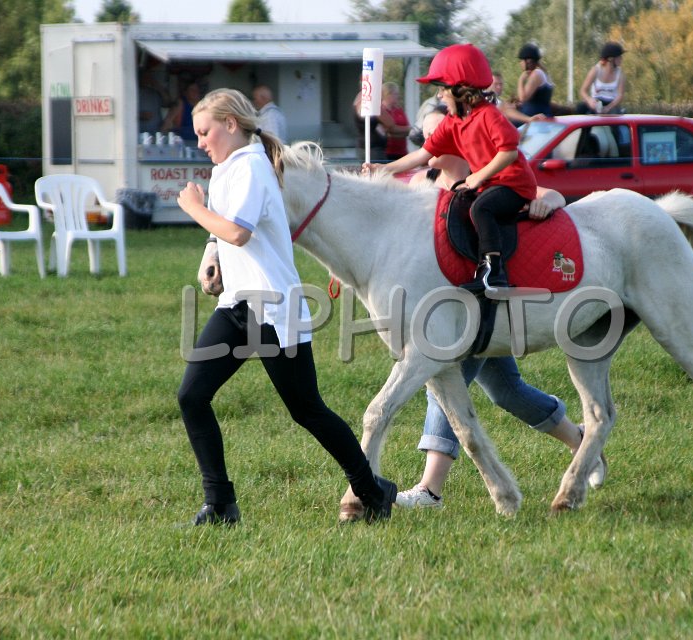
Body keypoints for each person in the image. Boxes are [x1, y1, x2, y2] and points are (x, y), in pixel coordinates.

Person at [175, 88, 396, 525]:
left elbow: (238, 232)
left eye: (204, 132)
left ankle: (372, 491)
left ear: (230, 125)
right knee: (192, 396)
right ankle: (220, 505)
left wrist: (194, 209)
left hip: (274, 310)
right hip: (238, 307)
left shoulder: (252, 166)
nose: (200, 142)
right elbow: (227, 234)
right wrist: (213, 256)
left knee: (307, 410)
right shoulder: (227, 168)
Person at [393, 110, 607, 510]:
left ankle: (430, 489)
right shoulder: (420, 185)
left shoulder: (487, 182)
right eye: (425, 134)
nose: (427, 140)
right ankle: (581, 441)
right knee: (507, 391)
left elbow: (548, 194)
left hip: (482, 310)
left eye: (437, 132)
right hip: (441, 308)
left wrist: (547, 203)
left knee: (442, 382)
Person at [364, 43, 537, 292]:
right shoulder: (452, 122)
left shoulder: (489, 115)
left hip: (514, 185)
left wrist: (478, 176)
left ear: (459, 89)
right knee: (458, 204)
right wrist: (382, 169)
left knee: (481, 208)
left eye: (442, 89)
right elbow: (421, 154)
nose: (440, 96)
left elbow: (509, 153)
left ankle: (493, 273)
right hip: (489, 185)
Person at [578, 42, 626, 114]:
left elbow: (620, 96)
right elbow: (583, 91)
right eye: (619, 57)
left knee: (614, 113)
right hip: (596, 101)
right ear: (611, 59)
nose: (621, 59)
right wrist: (589, 100)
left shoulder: (620, 74)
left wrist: (608, 108)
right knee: (580, 108)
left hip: (611, 103)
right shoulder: (596, 70)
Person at [516, 43, 555, 119]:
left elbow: (523, 98)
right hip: (540, 114)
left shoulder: (537, 74)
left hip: (534, 117)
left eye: (521, 61)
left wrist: (520, 80)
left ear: (527, 61)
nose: (520, 63)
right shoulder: (543, 72)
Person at [380, 82, 412, 160]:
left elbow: (407, 129)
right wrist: (409, 129)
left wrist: (407, 130)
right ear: (388, 95)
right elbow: (388, 131)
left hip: (402, 152)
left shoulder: (399, 110)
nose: (398, 96)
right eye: (395, 94)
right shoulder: (381, 110)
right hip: (387, 152)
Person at [138, 67, 171, 134]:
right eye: (145, 76)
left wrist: (157, 85)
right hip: (139, 132)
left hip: (155, 132)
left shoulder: (155, 93)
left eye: (149, 77)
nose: (147, 79)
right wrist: (140, 115)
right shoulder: (134, 93)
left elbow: (168, 103)